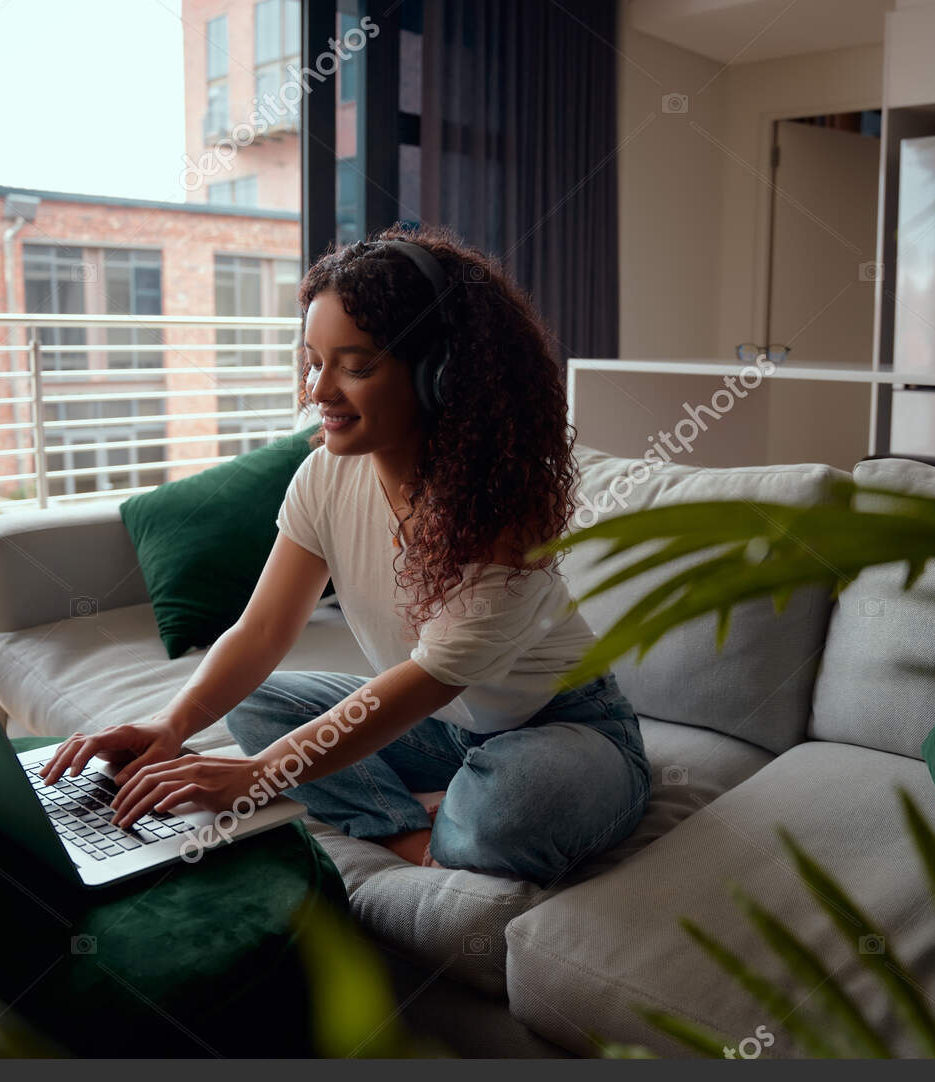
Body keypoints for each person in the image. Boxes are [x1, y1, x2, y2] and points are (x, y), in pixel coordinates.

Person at [39, 225, 650, 884]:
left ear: (440, 376)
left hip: (562, 728)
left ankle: (442, 817)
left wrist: (256, 776)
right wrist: (170, 722)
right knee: (255, 704)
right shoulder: (325, 475)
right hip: (443, 730)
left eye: (354, 366)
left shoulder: (503, 526)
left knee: (511, 810)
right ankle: (425, 827)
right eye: (313, 360)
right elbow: (263, 629)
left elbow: (415, 686)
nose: (319, 390)